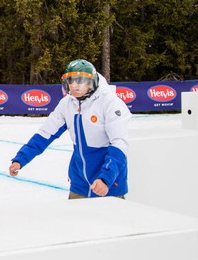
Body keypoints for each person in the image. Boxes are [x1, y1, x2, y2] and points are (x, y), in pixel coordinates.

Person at [8, 59, 131, 199]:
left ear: (91, 82)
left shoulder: (110, 103)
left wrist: (106, 178)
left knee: (108, 221)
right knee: (75, 220)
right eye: (70, 81)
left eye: (79, 81)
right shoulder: (67, 104)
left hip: (108, 184)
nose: (74, 85)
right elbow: (45, 134)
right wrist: (21, 158)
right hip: (79, 184)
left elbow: (119, 144)